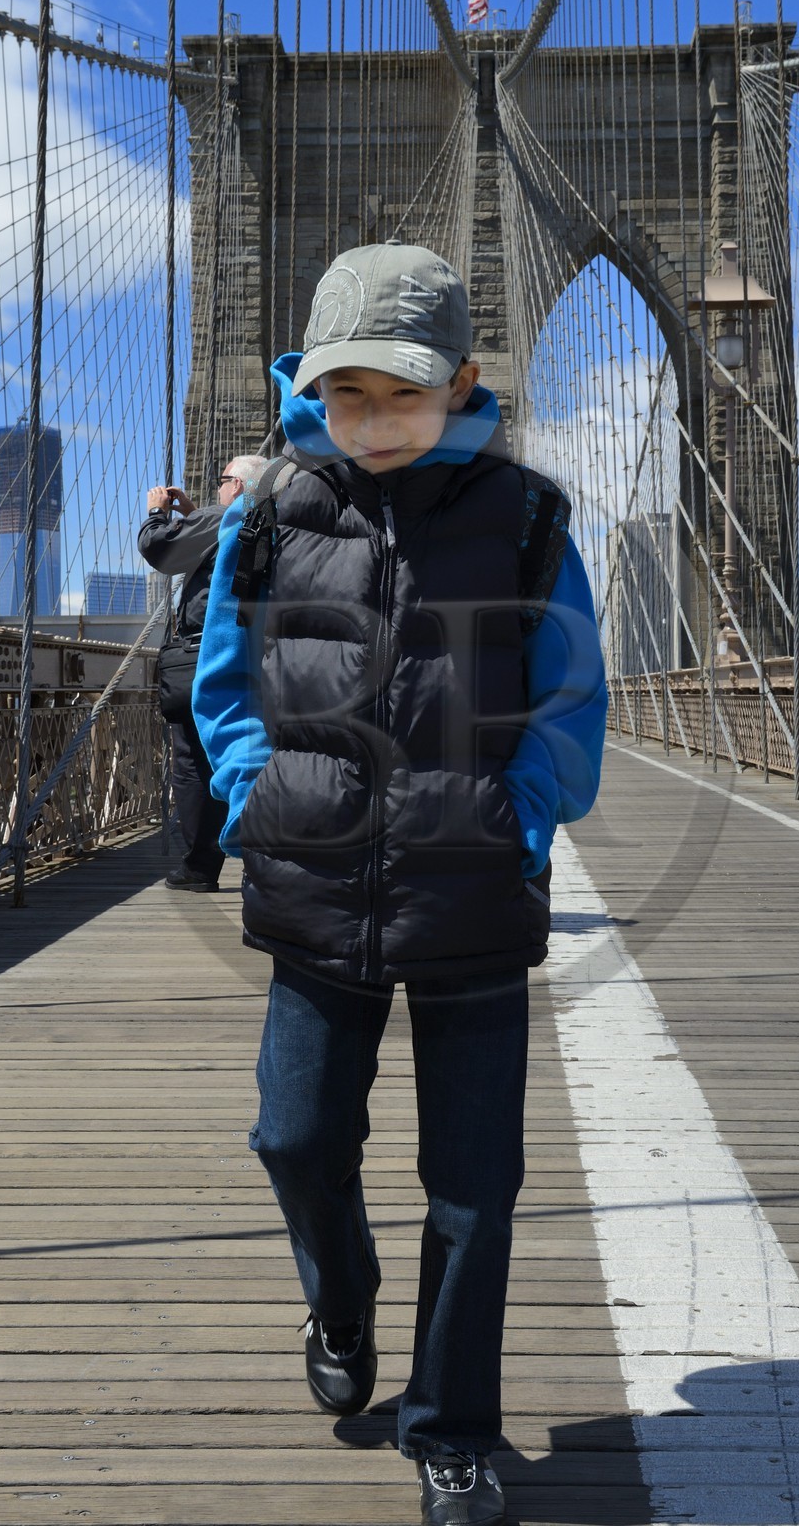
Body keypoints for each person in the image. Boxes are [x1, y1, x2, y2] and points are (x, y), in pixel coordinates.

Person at [192, 243, 608, 1526]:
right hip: (316, 888)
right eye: (345, 395)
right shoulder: (270, 513)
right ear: (309, 389)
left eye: (402, 393)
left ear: (465, 384)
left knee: (475, 1184)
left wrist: (516, 815)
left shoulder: (529, 519)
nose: (371, 421)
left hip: (473, 896)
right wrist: (256, 795)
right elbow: (223, 681)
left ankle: (454, 1432)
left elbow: (569, 699)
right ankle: (342, 1292)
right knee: (294, 1135)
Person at [138, 454, 266, 892]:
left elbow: (160, 549)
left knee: (194, 761)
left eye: (222, 480)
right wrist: (195, 516)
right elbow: (223, 553)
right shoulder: (278, 512)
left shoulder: (234, 511)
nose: (217, 489)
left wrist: (158, 512)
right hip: (266, 655)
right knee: (256, 750)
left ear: (238, 486)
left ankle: (199, 866)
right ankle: (262, 855)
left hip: (206, 656)